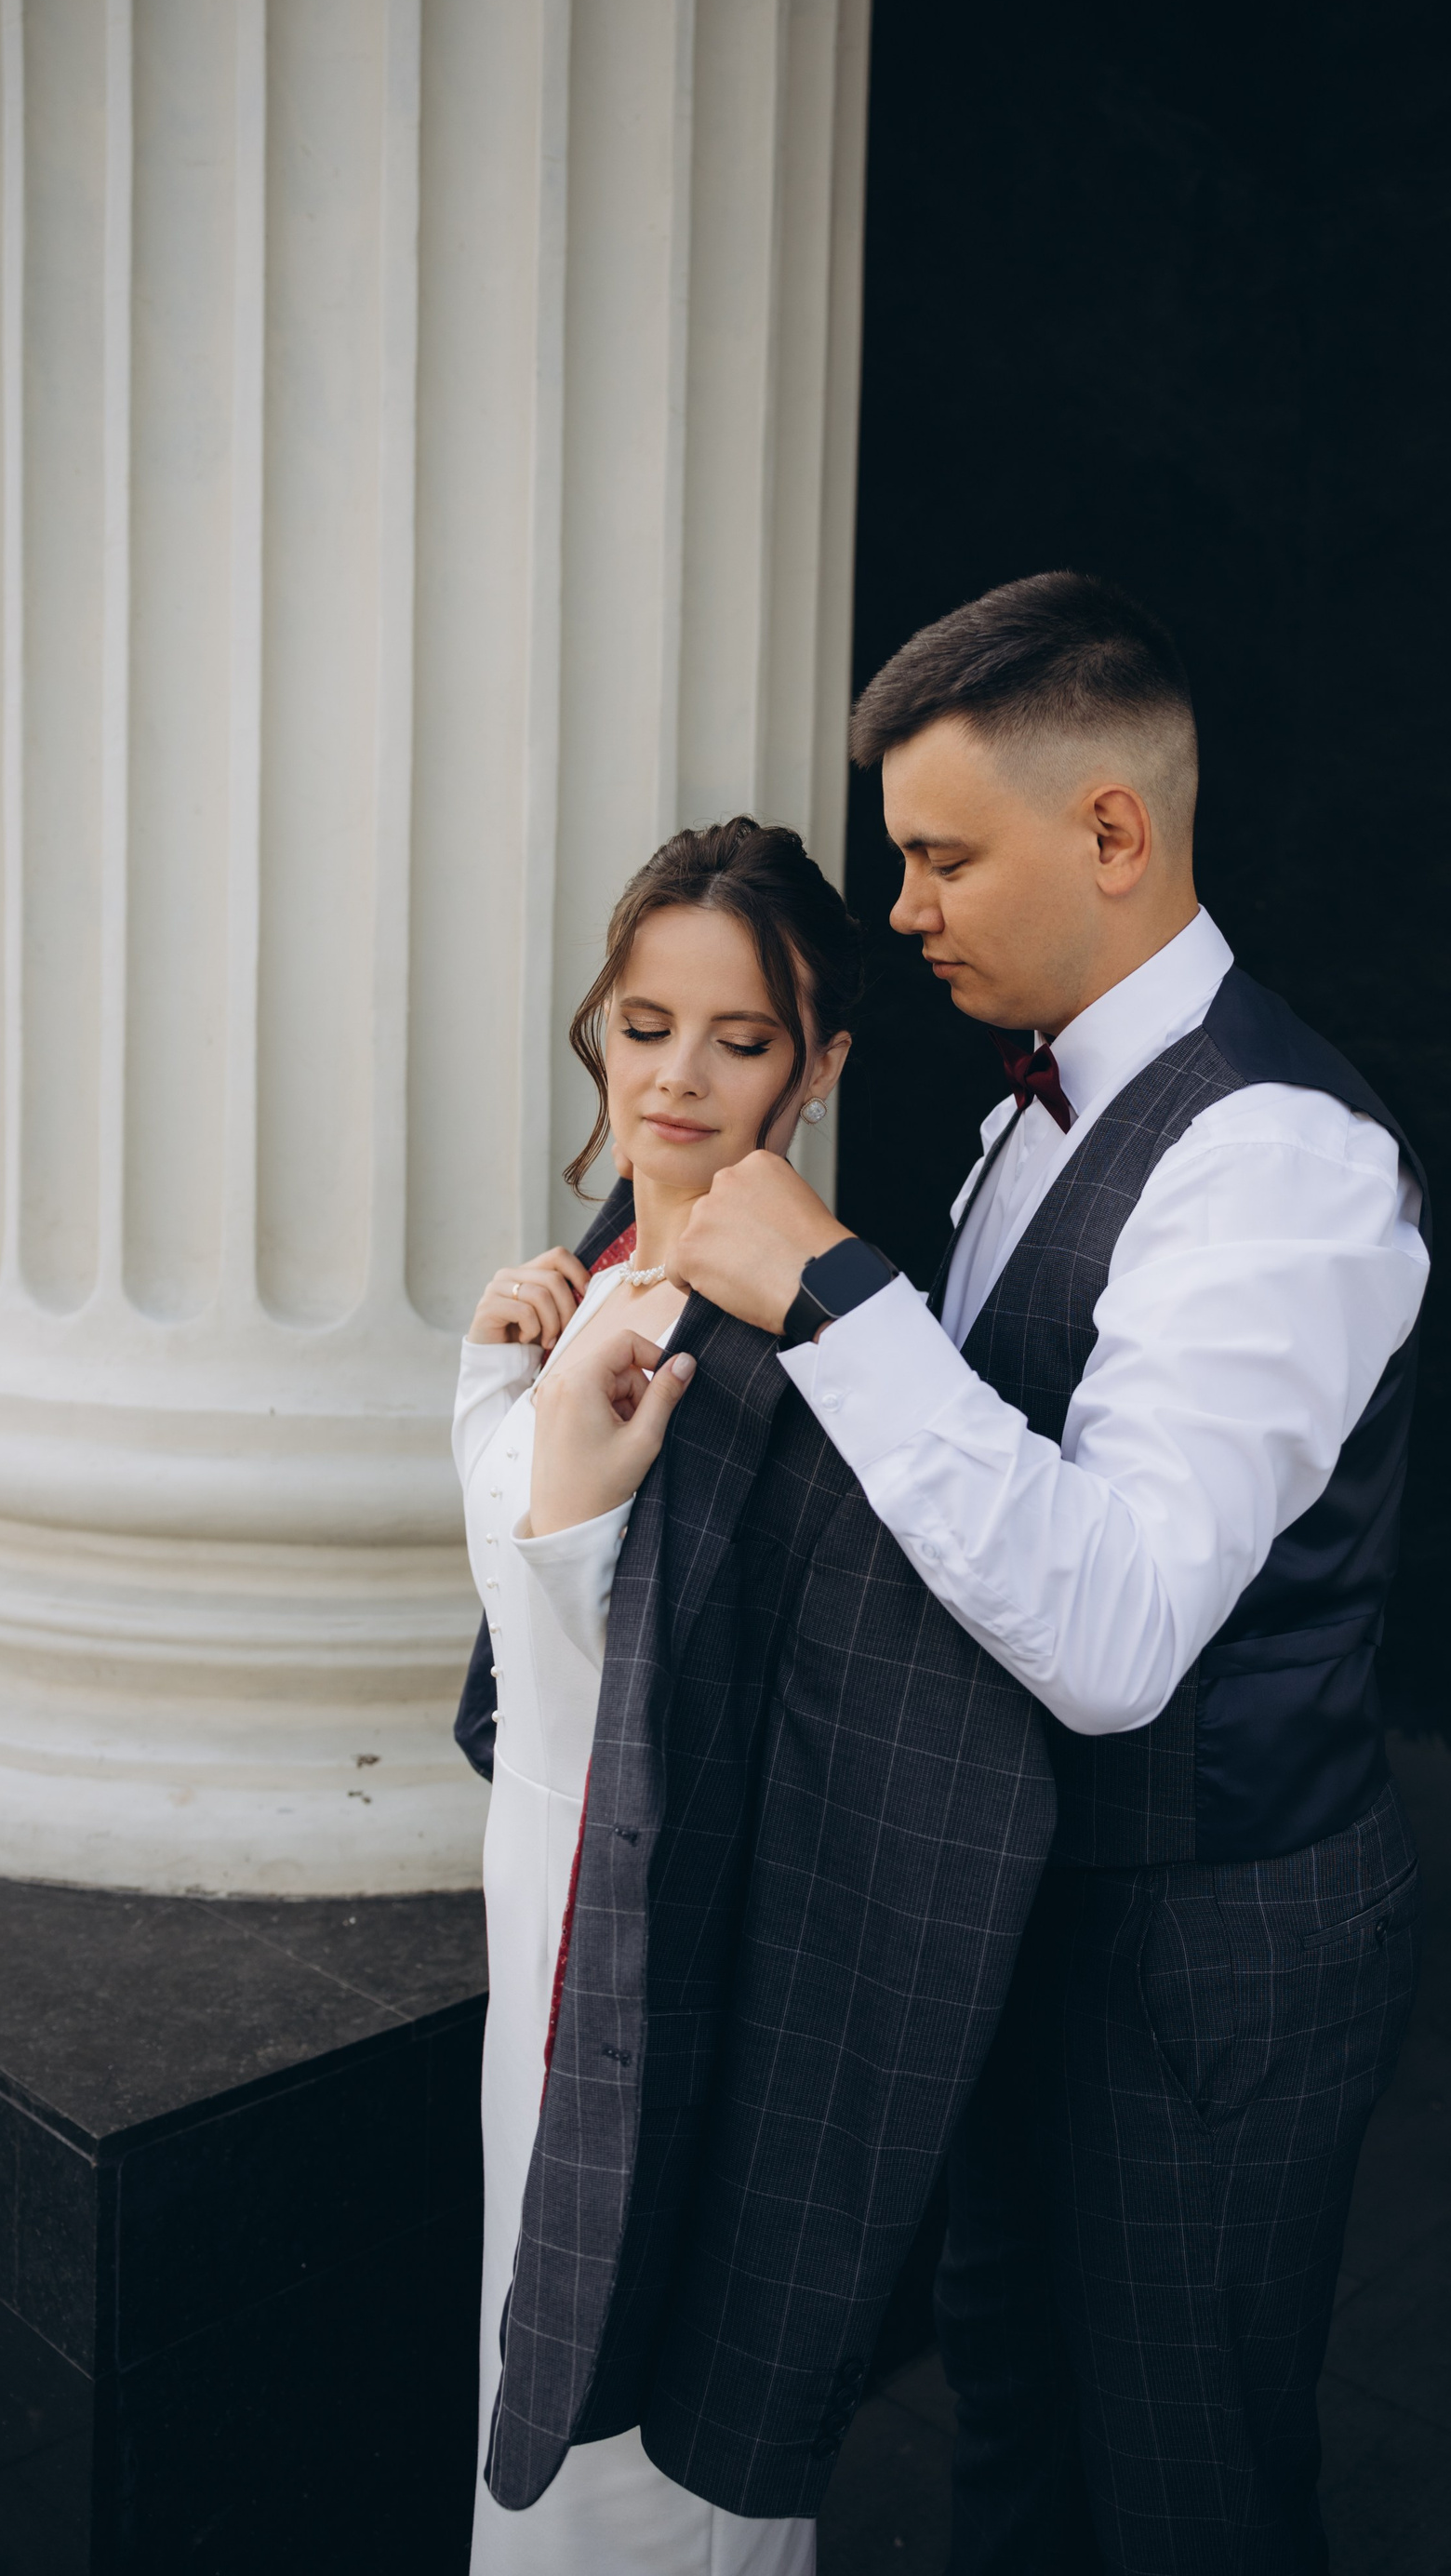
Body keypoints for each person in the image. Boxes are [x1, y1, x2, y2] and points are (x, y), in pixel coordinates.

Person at [565, 571, 1429, 2575]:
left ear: (1111, 831)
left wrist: (835, 1291)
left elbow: (1116, 1633)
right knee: (1020, 2438)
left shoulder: (1282, 1161)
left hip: (1203, 1954)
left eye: (944, 859)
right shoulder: (1039, 1100)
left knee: (1187, 2494)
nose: (907, 910)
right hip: (1026, 1918)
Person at [452, 816, 855, 2576]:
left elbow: (724, 1723)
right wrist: (501, 1377)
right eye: (643, 1024)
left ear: (817, 1068)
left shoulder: (810, 1362)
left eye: (740, 1038)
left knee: (639, 2479)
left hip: (663, 1944)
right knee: (525, 2385)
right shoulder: (598, 1274)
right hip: (527, 1909)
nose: (677, 1075)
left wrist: (557, 1484)